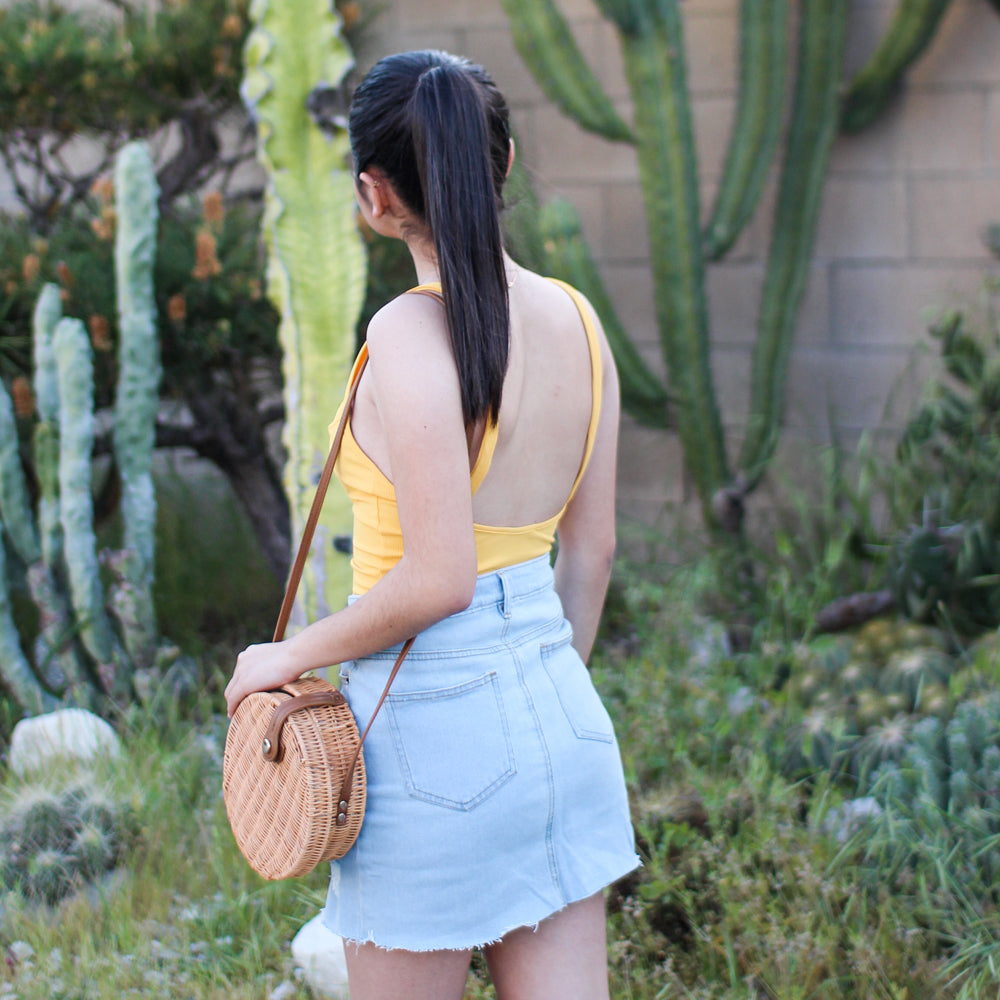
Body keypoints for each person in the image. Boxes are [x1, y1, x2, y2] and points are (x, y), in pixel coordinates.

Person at [225, 49, 638, 1000]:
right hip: (563, 719)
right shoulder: (579, 319)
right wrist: (533, 691)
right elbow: (593, 551)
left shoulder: (407, 335)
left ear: (375, 193)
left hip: (428, 740)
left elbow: (439, 576)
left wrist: (281, 659)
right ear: (501, 163)